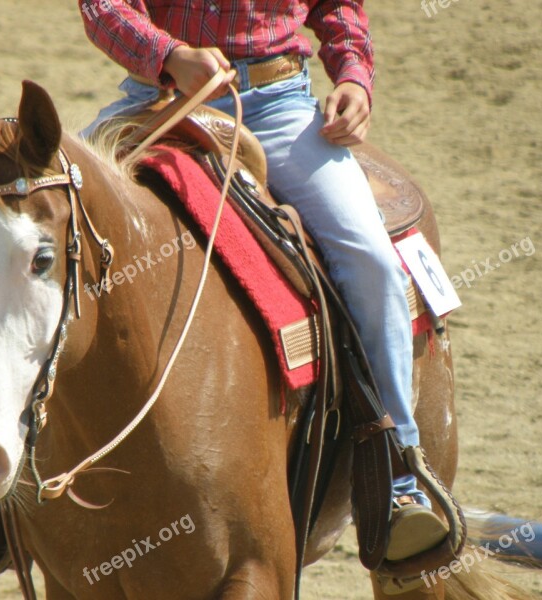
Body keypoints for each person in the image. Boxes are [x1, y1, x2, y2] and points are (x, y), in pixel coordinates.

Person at [79, 0, 448, 571]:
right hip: (157, 100)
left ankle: (397, 470)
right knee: (29, 219)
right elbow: (103, 6)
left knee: (370, 258)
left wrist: (354, 76)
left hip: (278, 106)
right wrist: (169, 54)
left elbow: (338, 7)